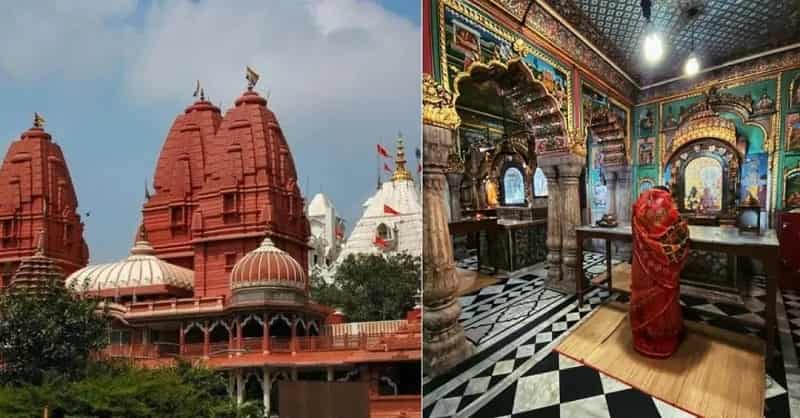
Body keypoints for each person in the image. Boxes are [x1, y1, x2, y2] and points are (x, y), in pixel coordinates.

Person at [630, 185, 690, 357]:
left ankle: (643, 337)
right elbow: (681, 233)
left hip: (641, 265)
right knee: (663, 300)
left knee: (644, 298)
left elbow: (635, 233)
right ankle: (664, 341)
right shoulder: (668, 208)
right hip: (663, 269)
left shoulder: (639, 207)